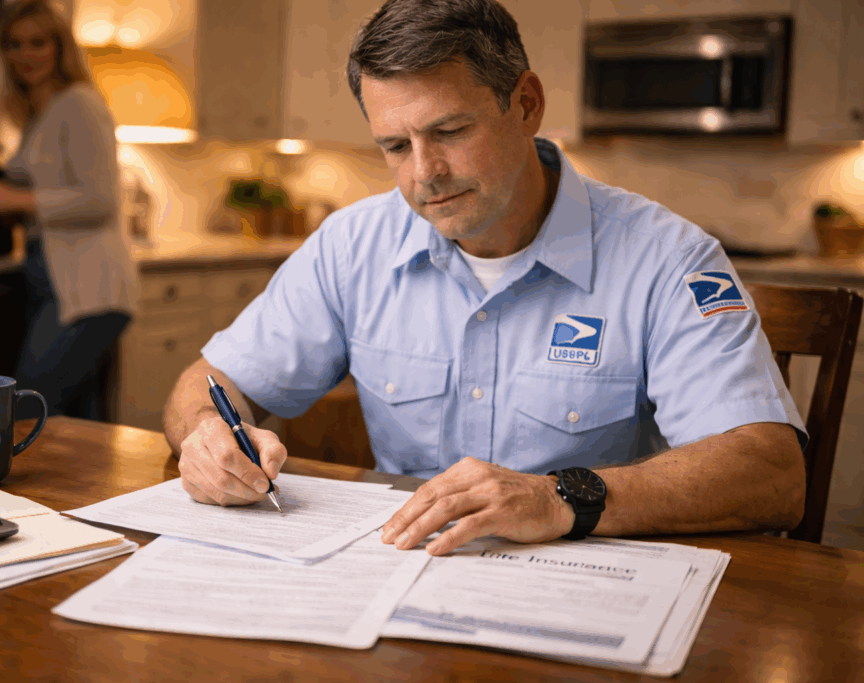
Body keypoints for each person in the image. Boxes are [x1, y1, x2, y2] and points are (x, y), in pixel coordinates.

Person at [162, 0, 806, 556]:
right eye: (394, 146)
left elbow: (771, 474)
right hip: (394, 578)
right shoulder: (352, 244)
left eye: (450, 130)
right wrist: (206, 436)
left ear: (525, 105)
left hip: (592, 589)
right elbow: (211, 382)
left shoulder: (666, 258)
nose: (424, 173)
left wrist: (558, 498)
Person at [0, 0, 140, 420]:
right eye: (14, 44)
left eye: (38, 43)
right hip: (54, 280)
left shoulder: (79, 104)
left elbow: (99, 200)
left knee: (27, 410)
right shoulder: (38, 115)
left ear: (61, 48)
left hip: (88, 287)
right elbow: (50, 197)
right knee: (77, 428)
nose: (26, 55)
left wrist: (11, 198)